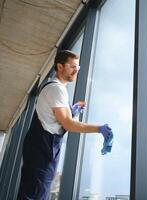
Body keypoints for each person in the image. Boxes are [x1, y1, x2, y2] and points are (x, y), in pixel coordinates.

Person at [17, 50, 113, 200]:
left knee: (35, 192)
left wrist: (72, 112)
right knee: (34, 194)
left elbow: (55, 119)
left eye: (78, 67)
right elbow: (68, 124)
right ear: (60, 67)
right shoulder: (56, 89)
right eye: (72, 66)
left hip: (43, 147)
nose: (76, 70)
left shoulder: (56, 89)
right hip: (42, 147)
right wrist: (99, 129)